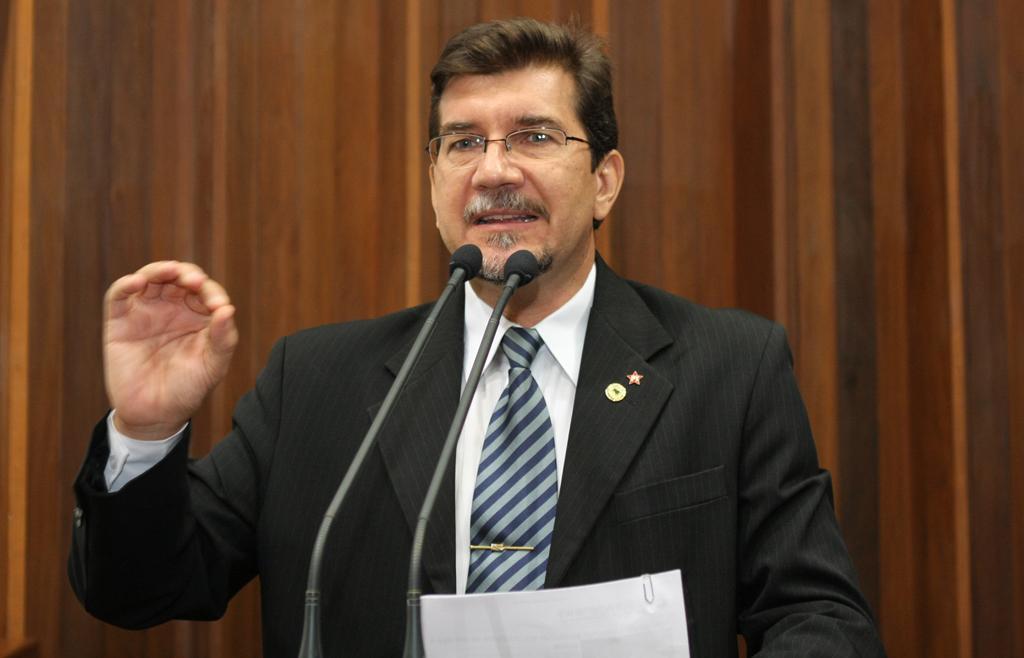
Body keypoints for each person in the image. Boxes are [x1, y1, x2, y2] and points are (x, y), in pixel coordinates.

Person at [69, 17, 886, 658]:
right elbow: (139, 593)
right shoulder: (314, 381)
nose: (493, 170)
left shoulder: (729, 369)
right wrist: (144, 430)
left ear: (604, 180)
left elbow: (821, 619)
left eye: (534, 136)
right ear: (434, 184)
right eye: (463, 142)